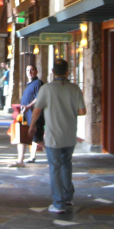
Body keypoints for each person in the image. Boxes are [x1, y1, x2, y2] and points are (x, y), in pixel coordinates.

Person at [29, 58, 86, 213]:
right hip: (70, 135)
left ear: (53, 72)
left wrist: (32, 125)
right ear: (68, 72)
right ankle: (68, 198)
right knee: (67, 164)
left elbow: (37, 110)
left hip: (53, 136)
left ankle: (58, 203)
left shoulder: (46, 89)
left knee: (55, 168)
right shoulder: (75, 89)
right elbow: (82, 112)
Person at [8, 64, 44, 167]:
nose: (29, 72)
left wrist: (29, 106)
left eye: (32, 70)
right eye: (28, 70)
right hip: (27, 116)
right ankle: (20, 161)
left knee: (38, 139)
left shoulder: (38, 83)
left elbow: (39, 97)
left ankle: (57, 155)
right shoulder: (29, 84)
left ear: (36, 71)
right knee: (22, 137)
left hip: (35, 117)